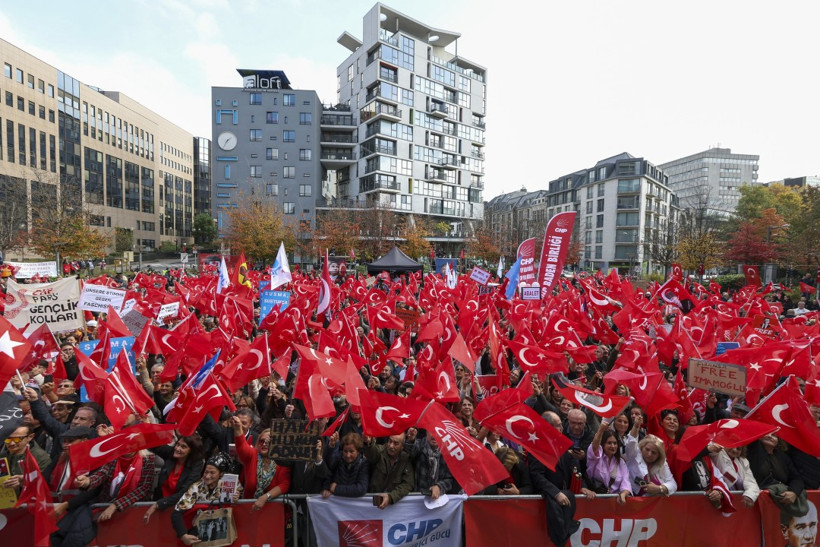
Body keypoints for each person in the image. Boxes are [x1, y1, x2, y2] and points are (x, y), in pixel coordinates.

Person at [172, 453, 237, 546]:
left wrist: (237, 499)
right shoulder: (197, 487)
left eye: (212, 473)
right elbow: (177, 512)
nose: (207, 476)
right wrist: (183, 535)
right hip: (200, 536)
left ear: (221, 474)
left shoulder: (230, 484)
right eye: (206, 472)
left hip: (222, 536)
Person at [230, 416, 291, 509]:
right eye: (262, 441)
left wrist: (265, 497)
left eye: (269, 441)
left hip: (272, 512)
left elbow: (284, 484)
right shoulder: (252, 455)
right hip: (249, 510)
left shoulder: (282, 460)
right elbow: (242, 447)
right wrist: (238, 428)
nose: (264, 444)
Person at [143, 435, 205, 523]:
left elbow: (185, 492)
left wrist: (158, 504)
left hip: (178, 512)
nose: (178, 448)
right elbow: (153, 444)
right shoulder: (171, 453)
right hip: (159, 510)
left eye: (183, 447)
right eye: (178, 444)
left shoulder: (196, 465)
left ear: (191, 451)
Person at [363, 433, 414, 508]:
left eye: (396, 443)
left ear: (402, 446)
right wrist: (368, 443)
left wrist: (391, 497)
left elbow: (408, 484)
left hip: (394, 506)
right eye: (390, 441)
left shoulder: (405, 459)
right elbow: (372, 454)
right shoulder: (380, 451)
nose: (391, 446)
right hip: (373, 503)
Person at [587, 421, 631, 503]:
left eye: (615, 443)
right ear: (603, 444)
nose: (613, 446)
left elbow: (626, 481)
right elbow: (594, 446)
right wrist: (600, 430)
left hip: (614, 503)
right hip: (594, 501)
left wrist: (624, 493)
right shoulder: (596, 458)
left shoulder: (621, 462)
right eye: (609, 443)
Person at [0, 425, 51, 494]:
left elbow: (43, 482)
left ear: (30, 437)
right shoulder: (2, 456)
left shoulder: (40, 457)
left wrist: (24, 481)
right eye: (8, 439)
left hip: (29, 501)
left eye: (17, 439)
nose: (12, 443)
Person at [322, 432, 369, 498]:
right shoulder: (339, 458)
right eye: (345, 451)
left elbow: (361, 489)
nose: (348, 455)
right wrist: (326, 488)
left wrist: (336, 489)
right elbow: (329, 470)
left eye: (351, 451)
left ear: (358, 451)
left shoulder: (363, 463)